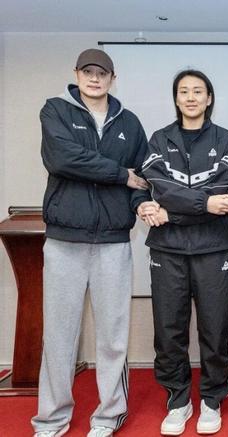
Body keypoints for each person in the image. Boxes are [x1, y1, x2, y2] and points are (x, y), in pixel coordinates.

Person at [32, 48, 150, 437]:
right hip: (64, 241)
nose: (95, 78)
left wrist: (142, 201)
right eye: (88, 71)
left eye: (102, 73)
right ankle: (51, 419)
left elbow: (142, 177)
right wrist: (120, 174)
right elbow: (63, 159)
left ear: (113, 78)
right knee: (58, 337)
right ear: (76, 74)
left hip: (113, 242)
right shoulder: (55, 110)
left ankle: (108, 416)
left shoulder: (129, 123)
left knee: (113, 336)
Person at [138, 69, 228, 436]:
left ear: (209, 98)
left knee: (215, 327)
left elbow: (222, 192)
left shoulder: (225, 139)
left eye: (198, 91)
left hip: (214, 247)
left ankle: (211, 398)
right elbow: (159, 188)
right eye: (184, 91)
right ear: (176, 98)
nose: (191, 97)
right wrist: (199, 205)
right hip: (167, 248)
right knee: (169, 329)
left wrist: (174, 212)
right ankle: (178, 400)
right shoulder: (158, 139)